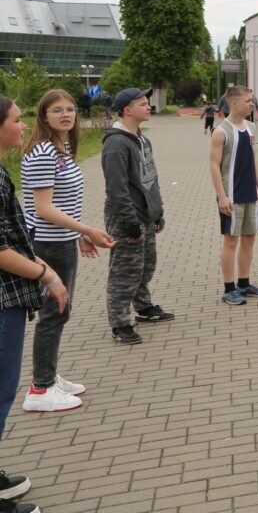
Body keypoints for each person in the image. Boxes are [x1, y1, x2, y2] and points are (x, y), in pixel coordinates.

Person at [20, 90, 114, 412]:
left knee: (60, 311)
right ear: (44, 116)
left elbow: (65, 201)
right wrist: (86, 230)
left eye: (70, 109)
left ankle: (48, 376)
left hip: (62, 241)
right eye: (57, 110)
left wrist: (76, 235)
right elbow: (43, 209)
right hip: (48, 244)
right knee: (54, 312)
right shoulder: (43, 153)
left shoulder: (63, 149)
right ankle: (40, 389)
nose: (66, 115)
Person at [1, 95, 71, 513]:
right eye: (16, 119)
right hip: (4, 296)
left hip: (12, 292)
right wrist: (46, 274)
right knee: (0, 390)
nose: (22, 125)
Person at [103, 87, 172, 346]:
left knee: (145, 265)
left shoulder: (142, 139)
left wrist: (158, 211)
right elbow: (117, 188)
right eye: (142, 104)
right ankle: (119, 323)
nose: (148, 107)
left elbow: (151, 178)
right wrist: (129, 222)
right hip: (126, 217)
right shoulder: (116, 144)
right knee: (125, 271)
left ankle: (143, 307)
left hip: (145, 214)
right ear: (127, 110)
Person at [208, 86, 258, 306]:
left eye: (252, 100)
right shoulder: (220, 131)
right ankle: (229, 289)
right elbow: (214, 165)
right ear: (234, 104)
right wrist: (222, 196)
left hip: (250, 193)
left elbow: (254, 158)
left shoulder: (251, 127)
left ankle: (244, 284)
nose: (252, 104)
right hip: (231, 195)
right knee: (231, 240)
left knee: (249, 237)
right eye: (248, 100)